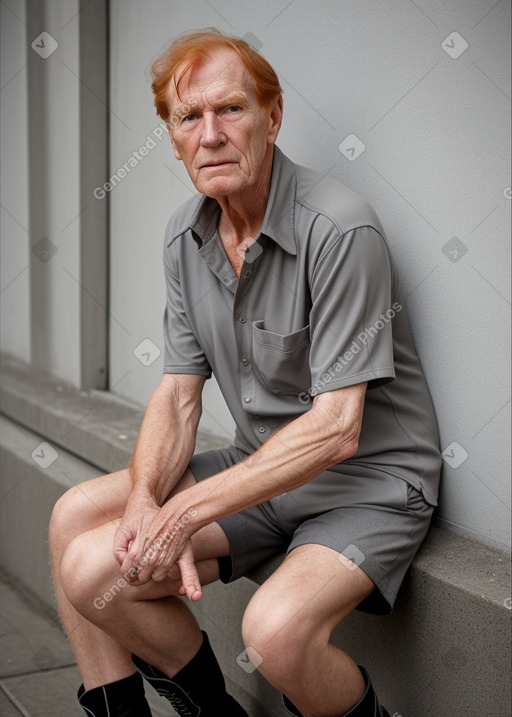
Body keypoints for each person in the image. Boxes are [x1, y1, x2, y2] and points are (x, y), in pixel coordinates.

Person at [50, 28, 442, 717]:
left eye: (230, 109)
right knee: (81, 542)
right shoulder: (185, 234)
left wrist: (185, 511)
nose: (210, 134)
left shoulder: (340, 229)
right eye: (188, 117)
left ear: (273, 116)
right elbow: (176, 396)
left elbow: (334, 431)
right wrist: (147, 498)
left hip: (369, 480)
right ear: (171, 138)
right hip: (262, 471)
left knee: (272, 632)